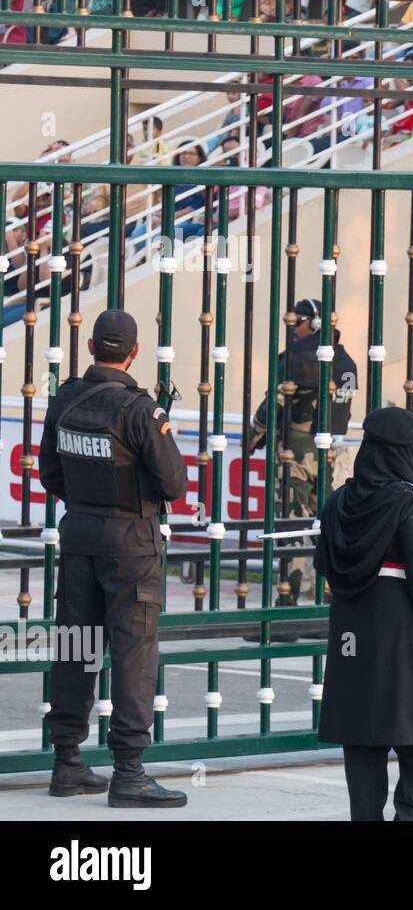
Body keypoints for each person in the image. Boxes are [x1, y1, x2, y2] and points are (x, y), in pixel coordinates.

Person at [40, 309, 189, 807]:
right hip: (131, 542)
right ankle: (128, 771)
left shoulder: (65, 398)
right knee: (133, 653)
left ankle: (67, 762)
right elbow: (173, 484)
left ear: (90, 349)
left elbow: (49, 472)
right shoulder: (142, 411)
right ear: (134, 352)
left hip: (79, 533)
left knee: (76, 645)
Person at [314, 406, 413, 820]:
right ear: (409, 452)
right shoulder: (412, 504)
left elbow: (326, 570)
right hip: (403, 638)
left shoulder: (339, 501)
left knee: (363, 744)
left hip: (351, 639)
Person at [249, 297, 359, 601]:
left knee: (291, 524)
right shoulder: (345, 362)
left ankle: (288, 598)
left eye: (297, 322)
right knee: (325, 523)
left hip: (293, 454)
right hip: (325, 452)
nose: (292, 328)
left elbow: (273, 406)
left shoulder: (296, 358)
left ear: (314, 324)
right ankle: (331, 598)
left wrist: (254, 436)